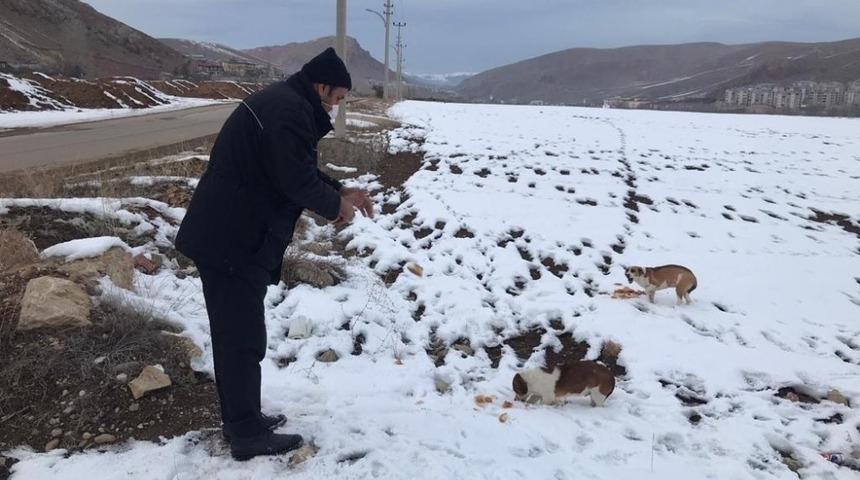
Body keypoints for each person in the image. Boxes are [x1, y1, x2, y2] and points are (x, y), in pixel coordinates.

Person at [175, 47, 373, 461]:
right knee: (240, 338)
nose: (335, 109)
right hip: (230, 238)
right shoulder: (288, 111)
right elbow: (294, 180)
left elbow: (294, 168)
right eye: (336, 100)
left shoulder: (286, 104)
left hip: (233, 234)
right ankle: (245, 433)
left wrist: (338, 190)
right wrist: (336, 205)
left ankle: (244, 419)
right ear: (321, 86)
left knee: (241, 334)